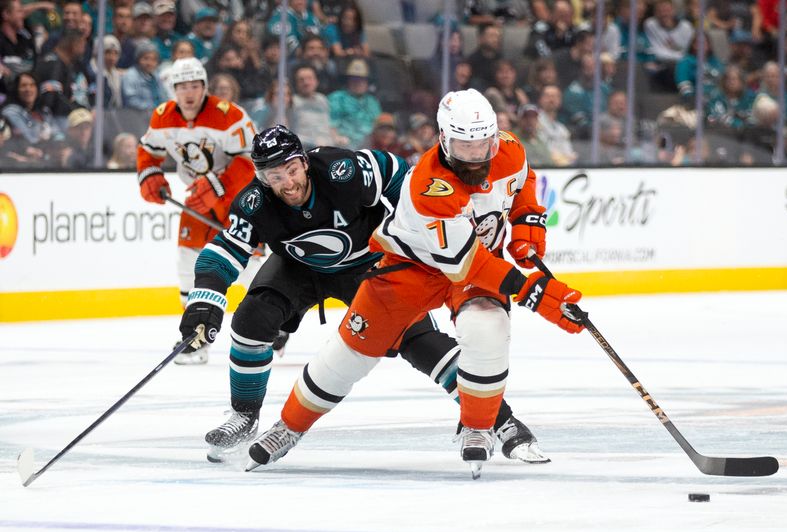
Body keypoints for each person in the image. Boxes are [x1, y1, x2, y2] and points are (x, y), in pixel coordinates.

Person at [244, 90, 585, 478]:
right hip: (414, 268)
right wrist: (535, 294)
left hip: (477, 265)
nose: (476, 155)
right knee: (349, 352)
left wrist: (527, 219)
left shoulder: (508, 147)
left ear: (494, 135)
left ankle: (477, 425)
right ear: (443, 138)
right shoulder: (429, 186)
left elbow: (523, 180)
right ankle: (289, 427)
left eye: (482, 144)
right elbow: (467, 263)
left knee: (487, 327)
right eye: (463, 145)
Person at [177, 124, 548, 466]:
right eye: (274, 176)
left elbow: (404, 175)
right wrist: (204, 303)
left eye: (291, 170)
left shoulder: (344, 169)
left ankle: (498, 419)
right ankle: (244, 415)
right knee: (250, 320)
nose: (287, 183)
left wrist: (409, 228)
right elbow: (223, 252)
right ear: (261, 178)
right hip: (297, 266)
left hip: (367, 263)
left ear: (304, 162)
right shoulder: (255, 203)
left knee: (419, 341)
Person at [136, 57, 257, 365]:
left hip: (237, 199)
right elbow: (148, 152)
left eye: (194, 86)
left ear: (205, 87)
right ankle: (195, 336)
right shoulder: (163, 117)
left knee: (247, 263)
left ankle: (272, 321)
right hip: (197, 199)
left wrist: (217, 185)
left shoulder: (229, 116)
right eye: (182, 87)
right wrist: (150, 175)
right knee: (189, 261)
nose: (188, 93)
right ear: (173, 89)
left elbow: (250, 161)